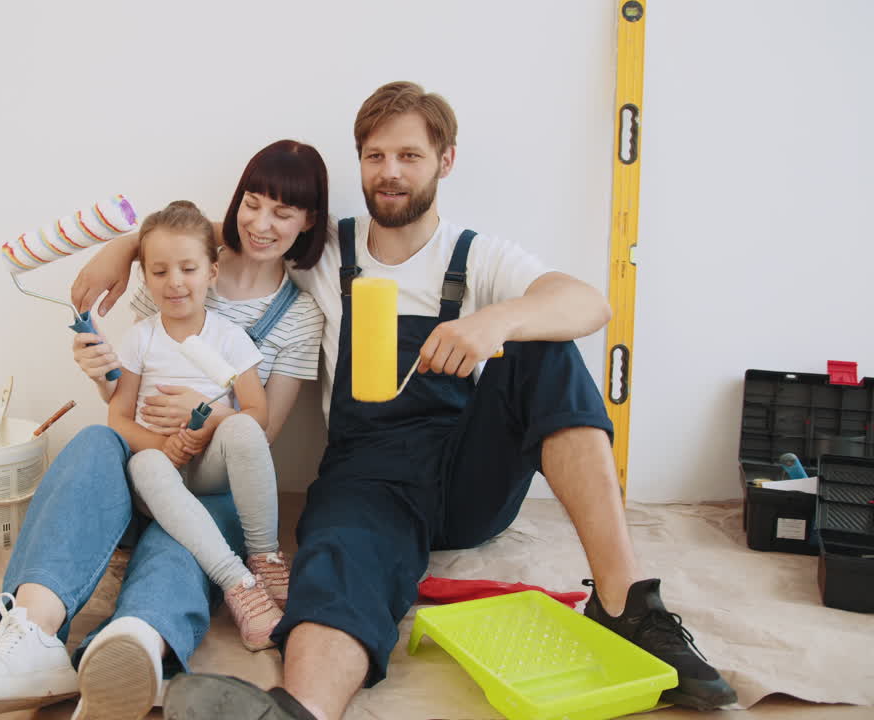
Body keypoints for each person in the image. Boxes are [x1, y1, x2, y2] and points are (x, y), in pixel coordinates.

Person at [73, 82, 738, 720]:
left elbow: (591, 303)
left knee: (545, 344)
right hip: (370, 474)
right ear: (360, 162)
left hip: (465, 474)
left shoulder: (477, 257)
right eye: (375, 156)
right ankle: (299, 709)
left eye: (410, 155)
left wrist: (493, 323)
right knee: (339, 559)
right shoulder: (326, 246)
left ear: (445, 161)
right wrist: (125, 249)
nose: (390, 172)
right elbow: (223, 236)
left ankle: (625, 603)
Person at [0, 140, 327, 720]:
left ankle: (137, 646)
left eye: (284, 212)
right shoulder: (176, 267)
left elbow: (258, 433)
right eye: (252, 202)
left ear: (308, 221)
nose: (261, 223)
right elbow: (127, 402)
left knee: (184, 540)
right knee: (98, 441)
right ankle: (34, 628)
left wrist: (208, 416)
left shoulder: (299, 314)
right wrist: (105, 367)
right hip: (151, 460)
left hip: (219, 477)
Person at [111, 200, 287, 652]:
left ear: (211, 271)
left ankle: (264, 558)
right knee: (146, 464)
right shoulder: (141, 338)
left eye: (188, 268)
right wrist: (161, 446)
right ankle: (238, 584)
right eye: (160, 271)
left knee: (243, 431)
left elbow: (257, 414)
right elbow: (117, 416)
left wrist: (207, 427)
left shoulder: (228, 338)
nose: (174, 283)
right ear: (145, 278)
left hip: (209, 468)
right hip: (161, 478)